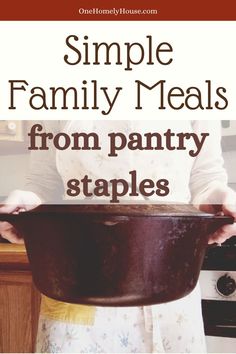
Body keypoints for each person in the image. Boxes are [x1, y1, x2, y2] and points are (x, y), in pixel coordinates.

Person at [0, 120, 235, 353]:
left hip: (171, 286)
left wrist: (220, 197)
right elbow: (43, 183)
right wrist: (26, 204)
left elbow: (205, 178)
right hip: (77, 280)